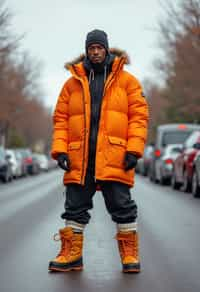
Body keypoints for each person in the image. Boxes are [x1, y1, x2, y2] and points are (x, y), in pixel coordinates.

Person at [49, 29, 149, 273]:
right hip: (80, 159)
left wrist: (133, 151)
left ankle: (129, 256)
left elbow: (139, 118)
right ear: (86, 51)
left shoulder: (128, 82)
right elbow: (61, 120)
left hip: (115, 157)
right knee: (74, 208)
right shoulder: (71, 84)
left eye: (99, 48)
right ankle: (72, 256)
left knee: (122, 206)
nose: (95, 52)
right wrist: (61, 151)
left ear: (106, 49)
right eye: (91, 48)